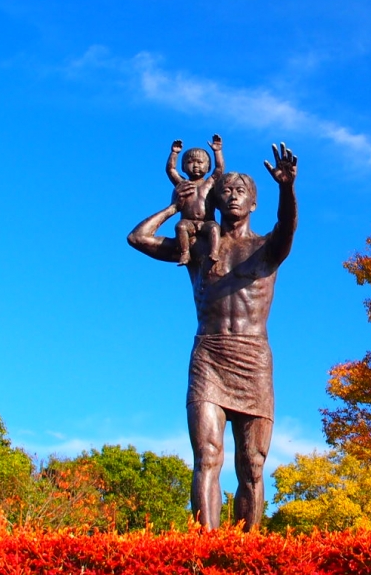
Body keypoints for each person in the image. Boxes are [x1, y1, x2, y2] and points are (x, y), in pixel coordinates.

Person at [128, 141, 298, 529]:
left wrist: (287, 189)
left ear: (254, 203)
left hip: (253, 359)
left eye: (242, 192)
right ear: (216, 199)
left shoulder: (266, 249)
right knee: (207, 456)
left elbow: (288, 227)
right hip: (210, 355)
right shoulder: (201, 250)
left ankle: (246, 553)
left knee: (252, 466)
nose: (233, 196)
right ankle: (205, 552)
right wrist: (175, 205)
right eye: (227, 191)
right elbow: (138, 238)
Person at [164, 135, 226, 268]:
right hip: (189, 222)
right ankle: (185, 252)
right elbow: (170, 170)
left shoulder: (209, 183)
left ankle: (214, 252)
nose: (195, 165)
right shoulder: (183, 184)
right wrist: (174, 153)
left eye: (200, 162)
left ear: (208, 166)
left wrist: (217, 151)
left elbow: (219, 169)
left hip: (206, 222)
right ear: (184, 167)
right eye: (190, 162)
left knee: (215, 228)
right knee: (180, 226)